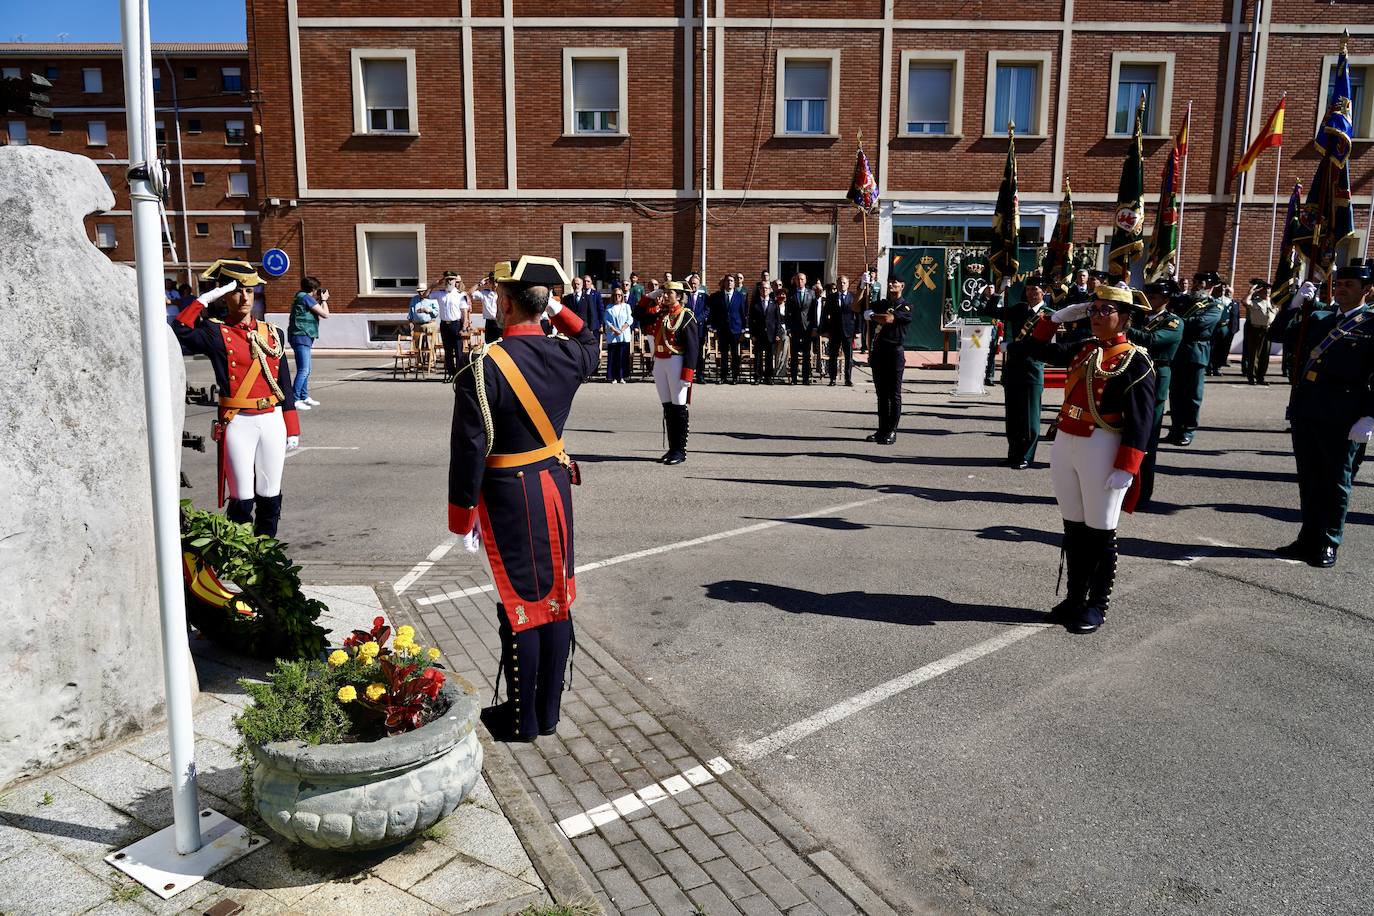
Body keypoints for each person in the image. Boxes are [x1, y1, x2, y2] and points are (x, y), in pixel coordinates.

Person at [448, 256, 596, 742]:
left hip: (511, 496)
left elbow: (469, 447)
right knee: (555, 600)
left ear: (504, 304)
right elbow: (590, 340)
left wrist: (461, 514)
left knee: (521, 605)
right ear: (545, 304)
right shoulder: (568, 355)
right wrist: (556, 305)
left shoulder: (483, 367)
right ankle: (547, 713)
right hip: (555, 486)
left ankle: (522, 720)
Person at [1024, 286, 1157, 634]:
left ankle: (1097, 605)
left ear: (1124, 318)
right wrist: (1053, 319)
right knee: (1074, 528)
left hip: (1102, 445)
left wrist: (1127, 467)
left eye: (1106, 310)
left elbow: (1142, 421)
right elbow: (1034, 350)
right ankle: (1074, 598)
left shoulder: (1135, 360)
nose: (1096, 316)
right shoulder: (1085, 349)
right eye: (1093, 309)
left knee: (1100, 531)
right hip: (1067, 441)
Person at [172, 259, 300, 537]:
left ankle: (265, 555)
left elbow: (284, 384)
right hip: (237, 420)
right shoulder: (214, 331)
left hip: (271, 420)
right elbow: (180, 330)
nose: (244, 298)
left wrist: (292, 427)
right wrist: (205, 298)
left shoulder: (273, 333)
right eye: (236, 291)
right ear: (225, 295)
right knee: (242, 499)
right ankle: (238, 559)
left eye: (250, 291)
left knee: (270, 495)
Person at [1269, 261, 1374, 568]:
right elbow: (1277, 335)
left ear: (1367, 291)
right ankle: (1308, 538)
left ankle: (1328, 542)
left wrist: (1370, 416)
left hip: (1345, 414)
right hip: (1309, 408)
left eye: (1349, 285)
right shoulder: (1320, 317)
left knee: (1336, 482)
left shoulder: (1371, 324)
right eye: (1339, 284)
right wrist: (1294, 304)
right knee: (1310, 479)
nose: (1341, 289)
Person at [1126, 280, 1184, 508]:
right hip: (1132, 376)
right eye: (1148, 294)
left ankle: (1142, 493)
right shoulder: (1139, 318)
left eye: (1155, 296)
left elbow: (1152, 340)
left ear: (1166, 300)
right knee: (1129, 437)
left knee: (1146, 440)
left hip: (1155, 376)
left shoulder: (1173, 322)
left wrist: (1123, 326)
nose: (1149, 299)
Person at [986, 275, 1052, 469]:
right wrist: (998, 292)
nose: (1031, 293)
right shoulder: (1019, 309)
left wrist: (1011, 347)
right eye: (1029, 289)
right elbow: (989, 311)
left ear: (1044, 292)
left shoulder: (1049, 315)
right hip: (1013, 368)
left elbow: (1037, 345)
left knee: (1030, 418)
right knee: (1013, 416)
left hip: (1032, 368)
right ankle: (1013, 454)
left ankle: (1027, 455)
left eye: (1036, 289)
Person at [634, 281, 699, 464]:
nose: (666, 295)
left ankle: (680, 450)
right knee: (668, 407)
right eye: (665, 292)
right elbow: (637, 314)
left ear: (679, 296)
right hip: (660, 362)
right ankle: (672, 449)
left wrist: (688, 374)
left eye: (670, 293)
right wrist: (650, 296)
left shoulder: (686, 316)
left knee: (679, 407)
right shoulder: (660, 313)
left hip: (676, 361)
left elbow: (693, 347)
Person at [1165, 271, 1223, 445]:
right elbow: (1167, 310)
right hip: (1178, 350)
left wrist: (1178, 322)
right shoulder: (1183, 301)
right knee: (1175, 393)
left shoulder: (1214, 306)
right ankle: (1175, 429)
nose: (1197, 285)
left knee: (1192, 395)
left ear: (1211, 286)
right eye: (1196, 281)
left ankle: (1188, 431)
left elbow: (1199, 324)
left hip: (1196, 351)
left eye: (1202, 282)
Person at [863, 277, 913, 444]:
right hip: (879, 351)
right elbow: (857, 306)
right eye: (890, 282)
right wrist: (862, 287)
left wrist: (872, 316)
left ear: (902, 285)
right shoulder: (883, 303)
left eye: (896, 282)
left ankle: (892, 431)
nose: (892, 284)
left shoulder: (906, 306)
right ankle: (881, 430)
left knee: (894, 394)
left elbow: (887, 319)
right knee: (881, 394)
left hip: (894, 352)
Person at [287, 277, 329, 409]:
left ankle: (304, 396)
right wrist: (323, 300)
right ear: (313, 289)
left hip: (301, 335)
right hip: (301, 335)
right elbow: (325, 314)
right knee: (304, 369)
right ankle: (295, 399)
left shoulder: (301, 297)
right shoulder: (306, 297)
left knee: (306, 369)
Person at [709, 274, 748, 384]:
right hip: (722, 330)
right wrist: (714, 328)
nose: (729, 282)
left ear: (734, 283)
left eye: (731, 281)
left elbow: (743, 313)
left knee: (735, 355)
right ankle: (723, 376)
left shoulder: (740, 296)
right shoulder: (718, 296)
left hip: (735, 329)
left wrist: (744, 330)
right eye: (728, 281)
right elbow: (714, 314)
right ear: (724, 283)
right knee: (724, 354)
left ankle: (735, 376)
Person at [431, 271, 470, 380]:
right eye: (447, 279)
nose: (449, 281)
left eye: (451, 279)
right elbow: (425, 295)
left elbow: (464, 312)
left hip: (456, 325)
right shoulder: (440, 293)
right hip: (444, 325)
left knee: (458, 352)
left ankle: (459, 375)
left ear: (455, 281)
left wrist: (464, 327)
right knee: (447, 352)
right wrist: (434, 284)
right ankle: (451, 374)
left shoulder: (460, 294)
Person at [821, 276, 859, 386]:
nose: (842, 285)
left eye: (844, 283)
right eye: (840, 283)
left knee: (849, 357)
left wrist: (858, 331)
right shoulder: (831, 297)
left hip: (848, 331)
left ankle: (848, 379)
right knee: (833, 356)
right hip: (835, 330)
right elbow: (825, 314)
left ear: (848, 284)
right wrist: (825, 330)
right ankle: (832, 378)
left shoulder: (853, 297)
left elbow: (858, 315)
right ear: (837, 285)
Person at [1241, 280, 1277, 384]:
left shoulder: (1272, 302)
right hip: (1256, 330)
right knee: (1254, 354)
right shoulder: (1255, 301)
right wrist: (1251, 292)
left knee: (1265, 356)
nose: (1267, 291)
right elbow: (1245, 302)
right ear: (1259, 291)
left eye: (1269, 289)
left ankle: (1261, 377)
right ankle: (1252, 376)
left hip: (1268, 330)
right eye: (1265, 289)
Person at [786, 272, 819, 385]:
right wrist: (788, 328)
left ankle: (805, 378)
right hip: (795, 328)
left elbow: (814, 312)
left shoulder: (811, 293)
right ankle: (794, 378)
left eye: (802, 279)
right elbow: (787, 312)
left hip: (807, 328)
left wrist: (814, 327)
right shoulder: (791, 294)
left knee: (806, 355)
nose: (800, 281)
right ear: (795, 281)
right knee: (794, 355)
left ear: (805, 280)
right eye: (798, 279)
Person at [751, 286, 783, 385]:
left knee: (769, 357)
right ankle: (757, 377)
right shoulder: (755, 303)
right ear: (760, 290)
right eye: (762, 288)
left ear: (770, 290)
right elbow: (751, 320)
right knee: (758, 357)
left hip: (771, 334)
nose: (764, 290)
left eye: (766, 288)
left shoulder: (774, 303)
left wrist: (777, 333)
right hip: (759, 334)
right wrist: (752, 334)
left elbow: (778, 320)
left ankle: (768, 377)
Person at [604, 285, 633, 384]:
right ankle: (614, 377)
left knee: (623, 356)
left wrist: (621, 329)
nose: (617, 297)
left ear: (622, 296)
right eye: (616, 295)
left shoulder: (626, 306)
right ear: (613, 296)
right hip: (613, 335)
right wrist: (614, 329)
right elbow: (606, 320)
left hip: (623, 334)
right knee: (613, 357)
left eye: (620, 295)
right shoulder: (609, 307)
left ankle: (622, 377)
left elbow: (630, 319)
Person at [1207, 285, 1239, 375]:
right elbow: (1208, 298)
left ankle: (1217, 367)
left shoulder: (1229, 301)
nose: (1224, 292)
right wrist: (1212, 287)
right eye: (1222, 290)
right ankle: (1209, 367)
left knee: (1221, 348)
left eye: (1226, 290)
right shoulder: (1215, 299)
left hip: (1224, 327)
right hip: (1215, 326)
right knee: (1212, 347)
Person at [685, 274, 711, 383]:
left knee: (700, 354)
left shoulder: (704, 297)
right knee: (688, 353)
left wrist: (697, 319)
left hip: (700, 329)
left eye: (695, 284)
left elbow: (707, 310)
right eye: (691, 283)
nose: (693, 285)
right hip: (687, 329)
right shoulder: (685, 296)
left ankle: (700, 375)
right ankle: (688, 376)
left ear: (699, 285)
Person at [472, 273, 499, 343]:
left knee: (501, 346)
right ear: (489, 282)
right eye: (492, 281)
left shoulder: (503, 294)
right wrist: (479, 284)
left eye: (496, 281)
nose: (495, 284)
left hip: (500, 323)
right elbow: (469, 293)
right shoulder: (484, 293)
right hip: (490, 323)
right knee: (489, 345)